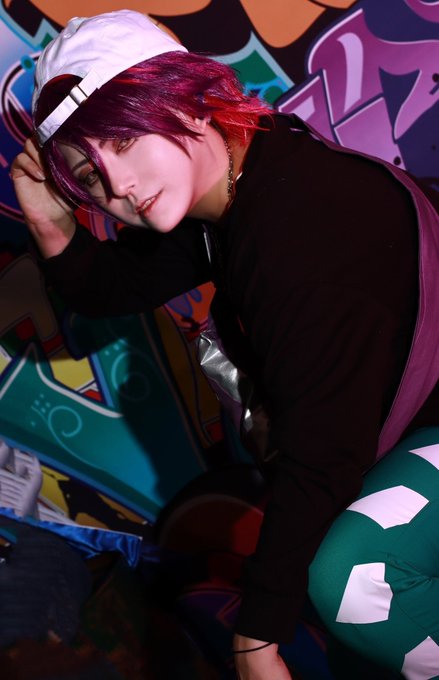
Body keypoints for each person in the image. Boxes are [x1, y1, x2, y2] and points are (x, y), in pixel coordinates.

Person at [11, 10, 439, 680]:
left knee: (355, 576)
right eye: (91, 176)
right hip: (402, 432)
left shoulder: (297, 228)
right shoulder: (230, 185)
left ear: (182, 97)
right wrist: (49, 222)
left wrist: (256, 636)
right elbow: (114, 287)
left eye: (124, 139)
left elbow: (323, 460)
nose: (118, 186)